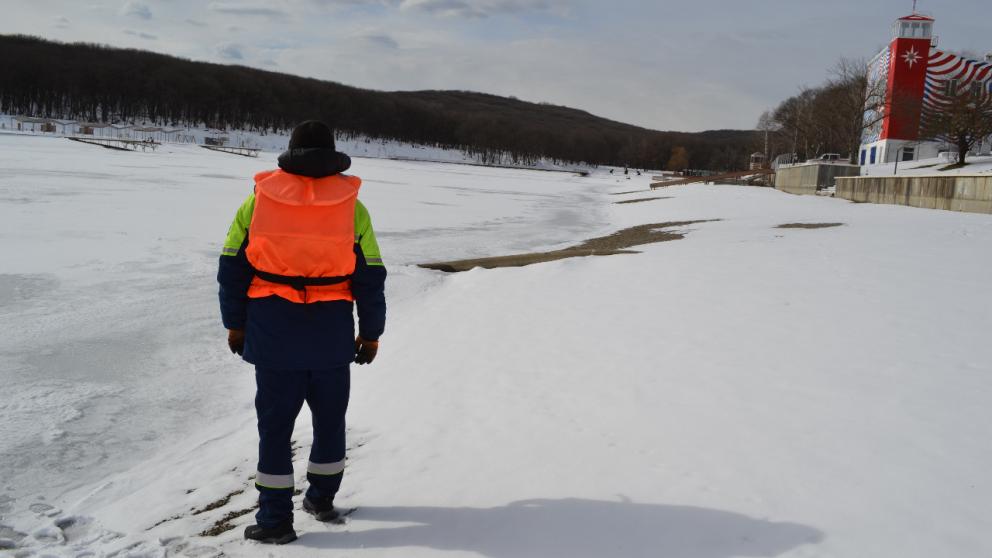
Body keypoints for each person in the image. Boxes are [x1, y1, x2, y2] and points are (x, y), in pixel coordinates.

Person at [217, 120, 387, 544]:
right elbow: (370, 276)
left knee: (274, 429)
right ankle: (321, 500)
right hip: (329, 335)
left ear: (290, 152)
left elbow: (231, 269)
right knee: (330, 422)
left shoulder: (256, 202)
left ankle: (275, 521)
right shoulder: (354, 207)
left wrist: (235, 324)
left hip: (272, 333)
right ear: (333, 154)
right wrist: (370, 334)